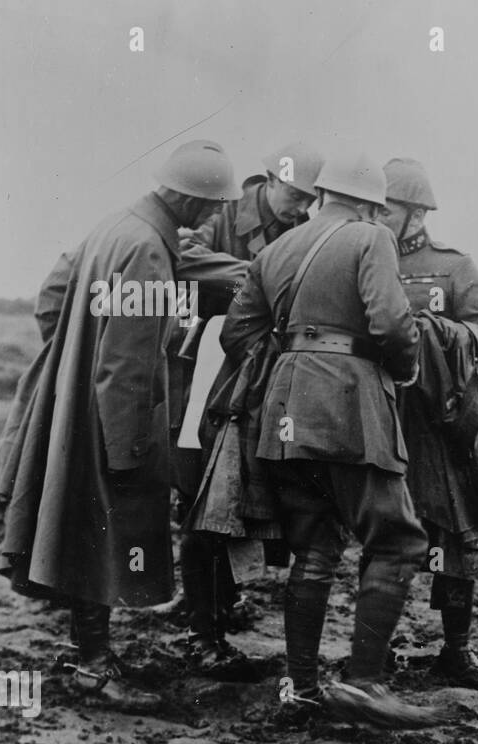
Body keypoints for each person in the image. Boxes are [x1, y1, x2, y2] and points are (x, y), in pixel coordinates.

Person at [0, 140, 241, 711]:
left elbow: (51, 297)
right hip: (108, 418)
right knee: (99, 534)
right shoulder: (146, 251)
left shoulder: (118, 226)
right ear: (188, 199)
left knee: (78, 531)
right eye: (214, 204)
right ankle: (93, 666)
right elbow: (125, 364)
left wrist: (71, 356)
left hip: (78, 402)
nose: (218, 214)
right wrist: (127, 449)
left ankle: (90, 654)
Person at [219, 151, 428, 726]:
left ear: (322, 195)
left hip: (285, 414)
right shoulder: (370, 238)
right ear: (369, 204)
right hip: (350, 409)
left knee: (314, 549)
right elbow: (390, 323)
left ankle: (303, 690)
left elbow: (238, 334)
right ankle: (363, 684)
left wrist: (293, 365)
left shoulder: (274, 249)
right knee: (397, 540)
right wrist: (403, 368)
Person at [170, 141, 324, 677]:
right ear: (270, 180)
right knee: (201, 497)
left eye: (312, 200)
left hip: (264, 379)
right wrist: (259, 273)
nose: (303, 208)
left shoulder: (301, 230)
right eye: (297, 195)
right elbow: (181, 257)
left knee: (246, 496)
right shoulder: (223, 218)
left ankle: (218, 602)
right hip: (207, 373)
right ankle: (200, 627)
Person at [378, 157, 478, 692]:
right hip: (387, 420)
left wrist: (443, 338)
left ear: (415, 215)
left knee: (456, 540)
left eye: (386, 210)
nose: (377, 218)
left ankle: (456, 650)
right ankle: (379, 647)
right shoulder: (365, 259)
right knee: (384, 534)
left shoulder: (453, 267)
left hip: (446, 425)